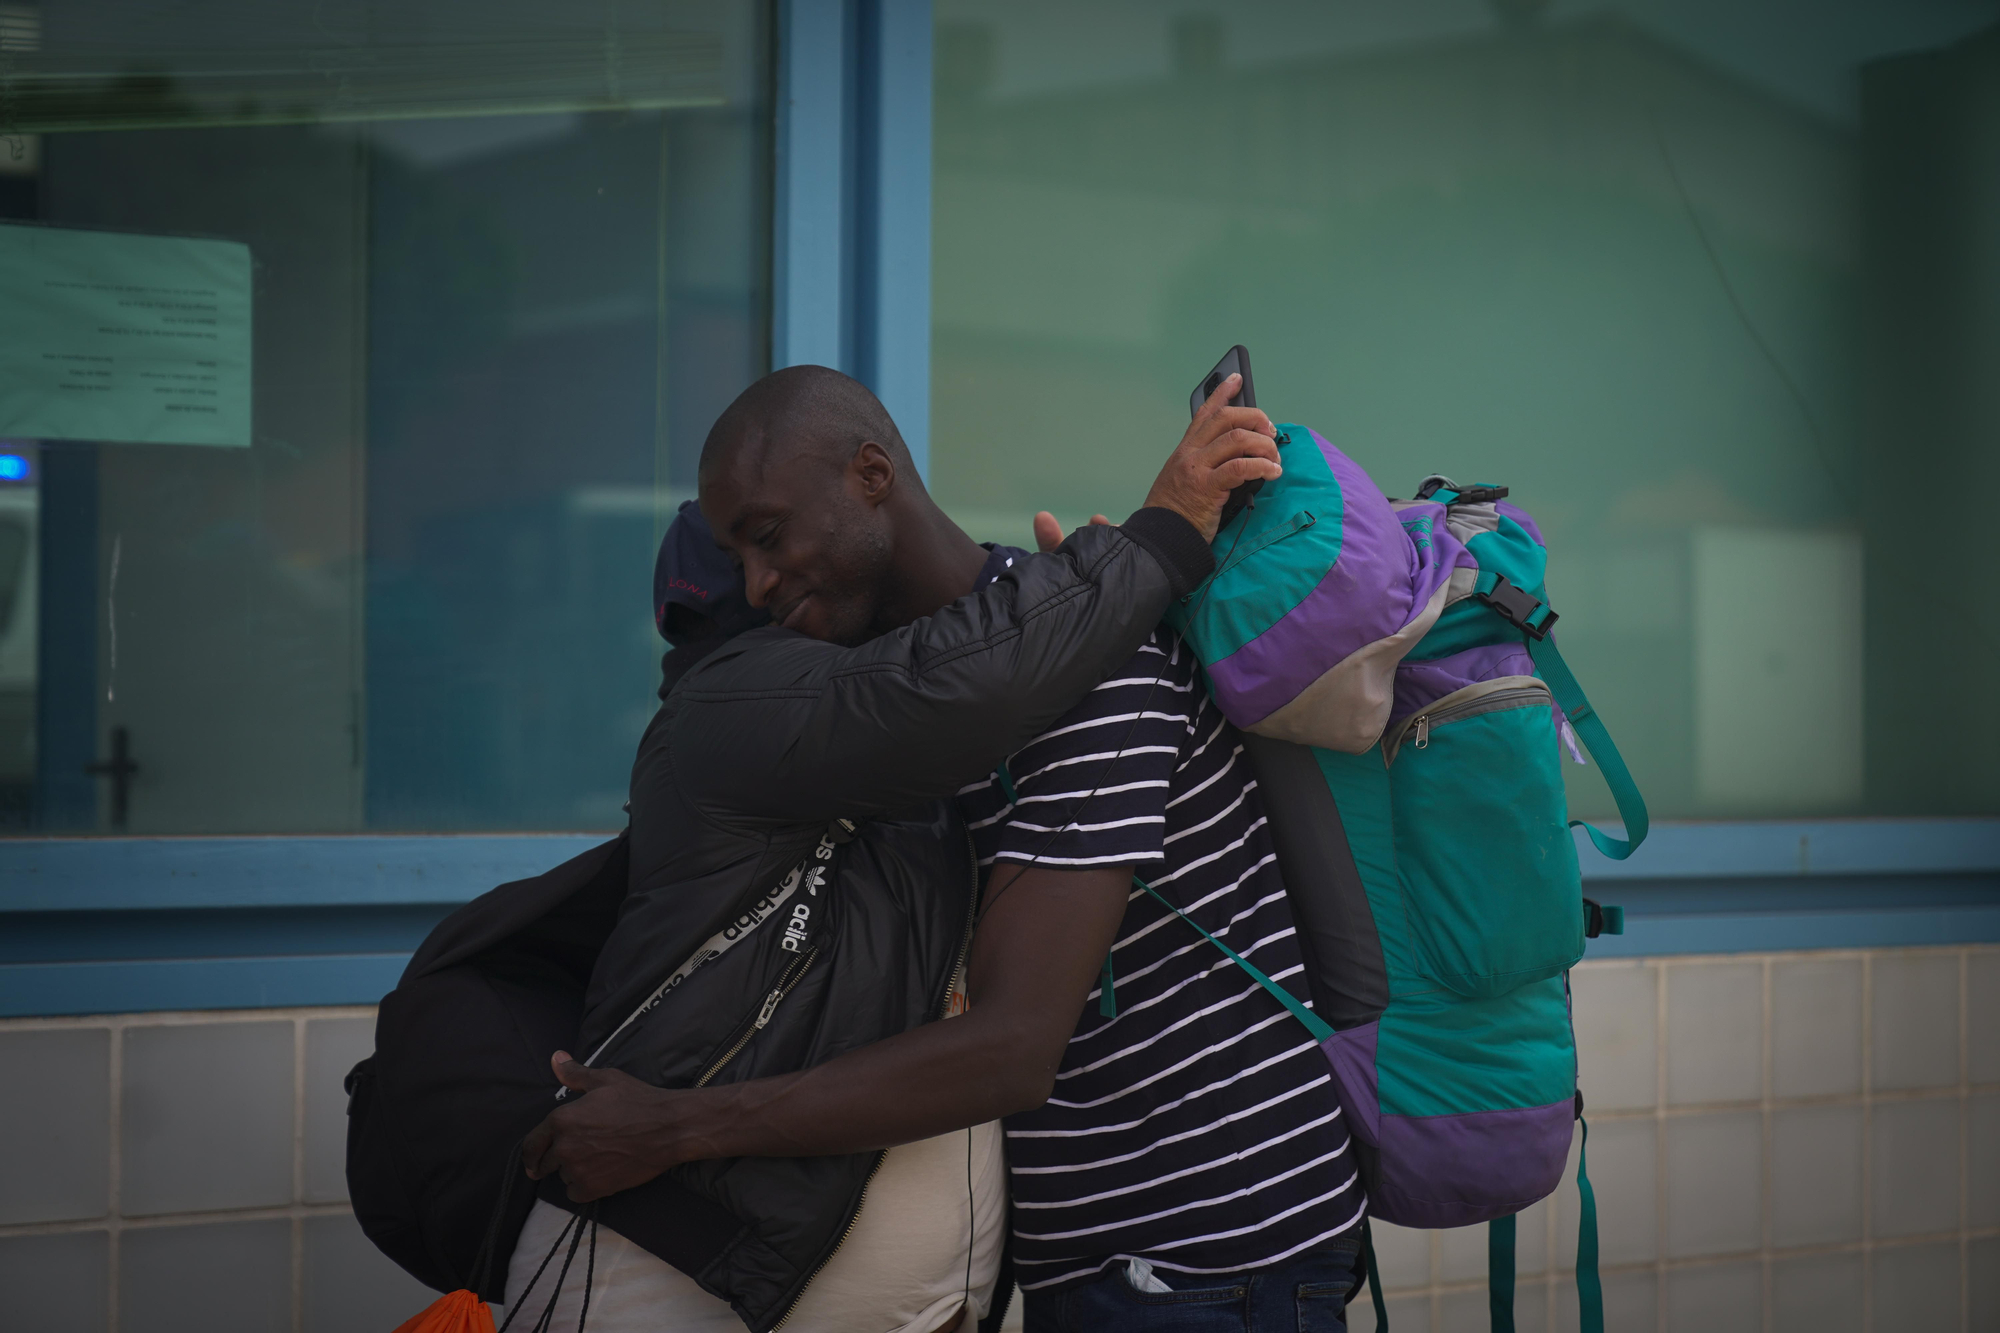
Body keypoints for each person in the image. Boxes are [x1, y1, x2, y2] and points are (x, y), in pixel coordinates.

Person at [493, 364, 1281, 1333]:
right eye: (735, 562)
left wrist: (1131, 564)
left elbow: (1009, 1045)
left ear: (871, 474)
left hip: (1201, 1254)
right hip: (1099, 1254)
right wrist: (1116, 571)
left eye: (768, 536)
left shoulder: (1066, 676)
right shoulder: (799, 714)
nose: (758, 588)